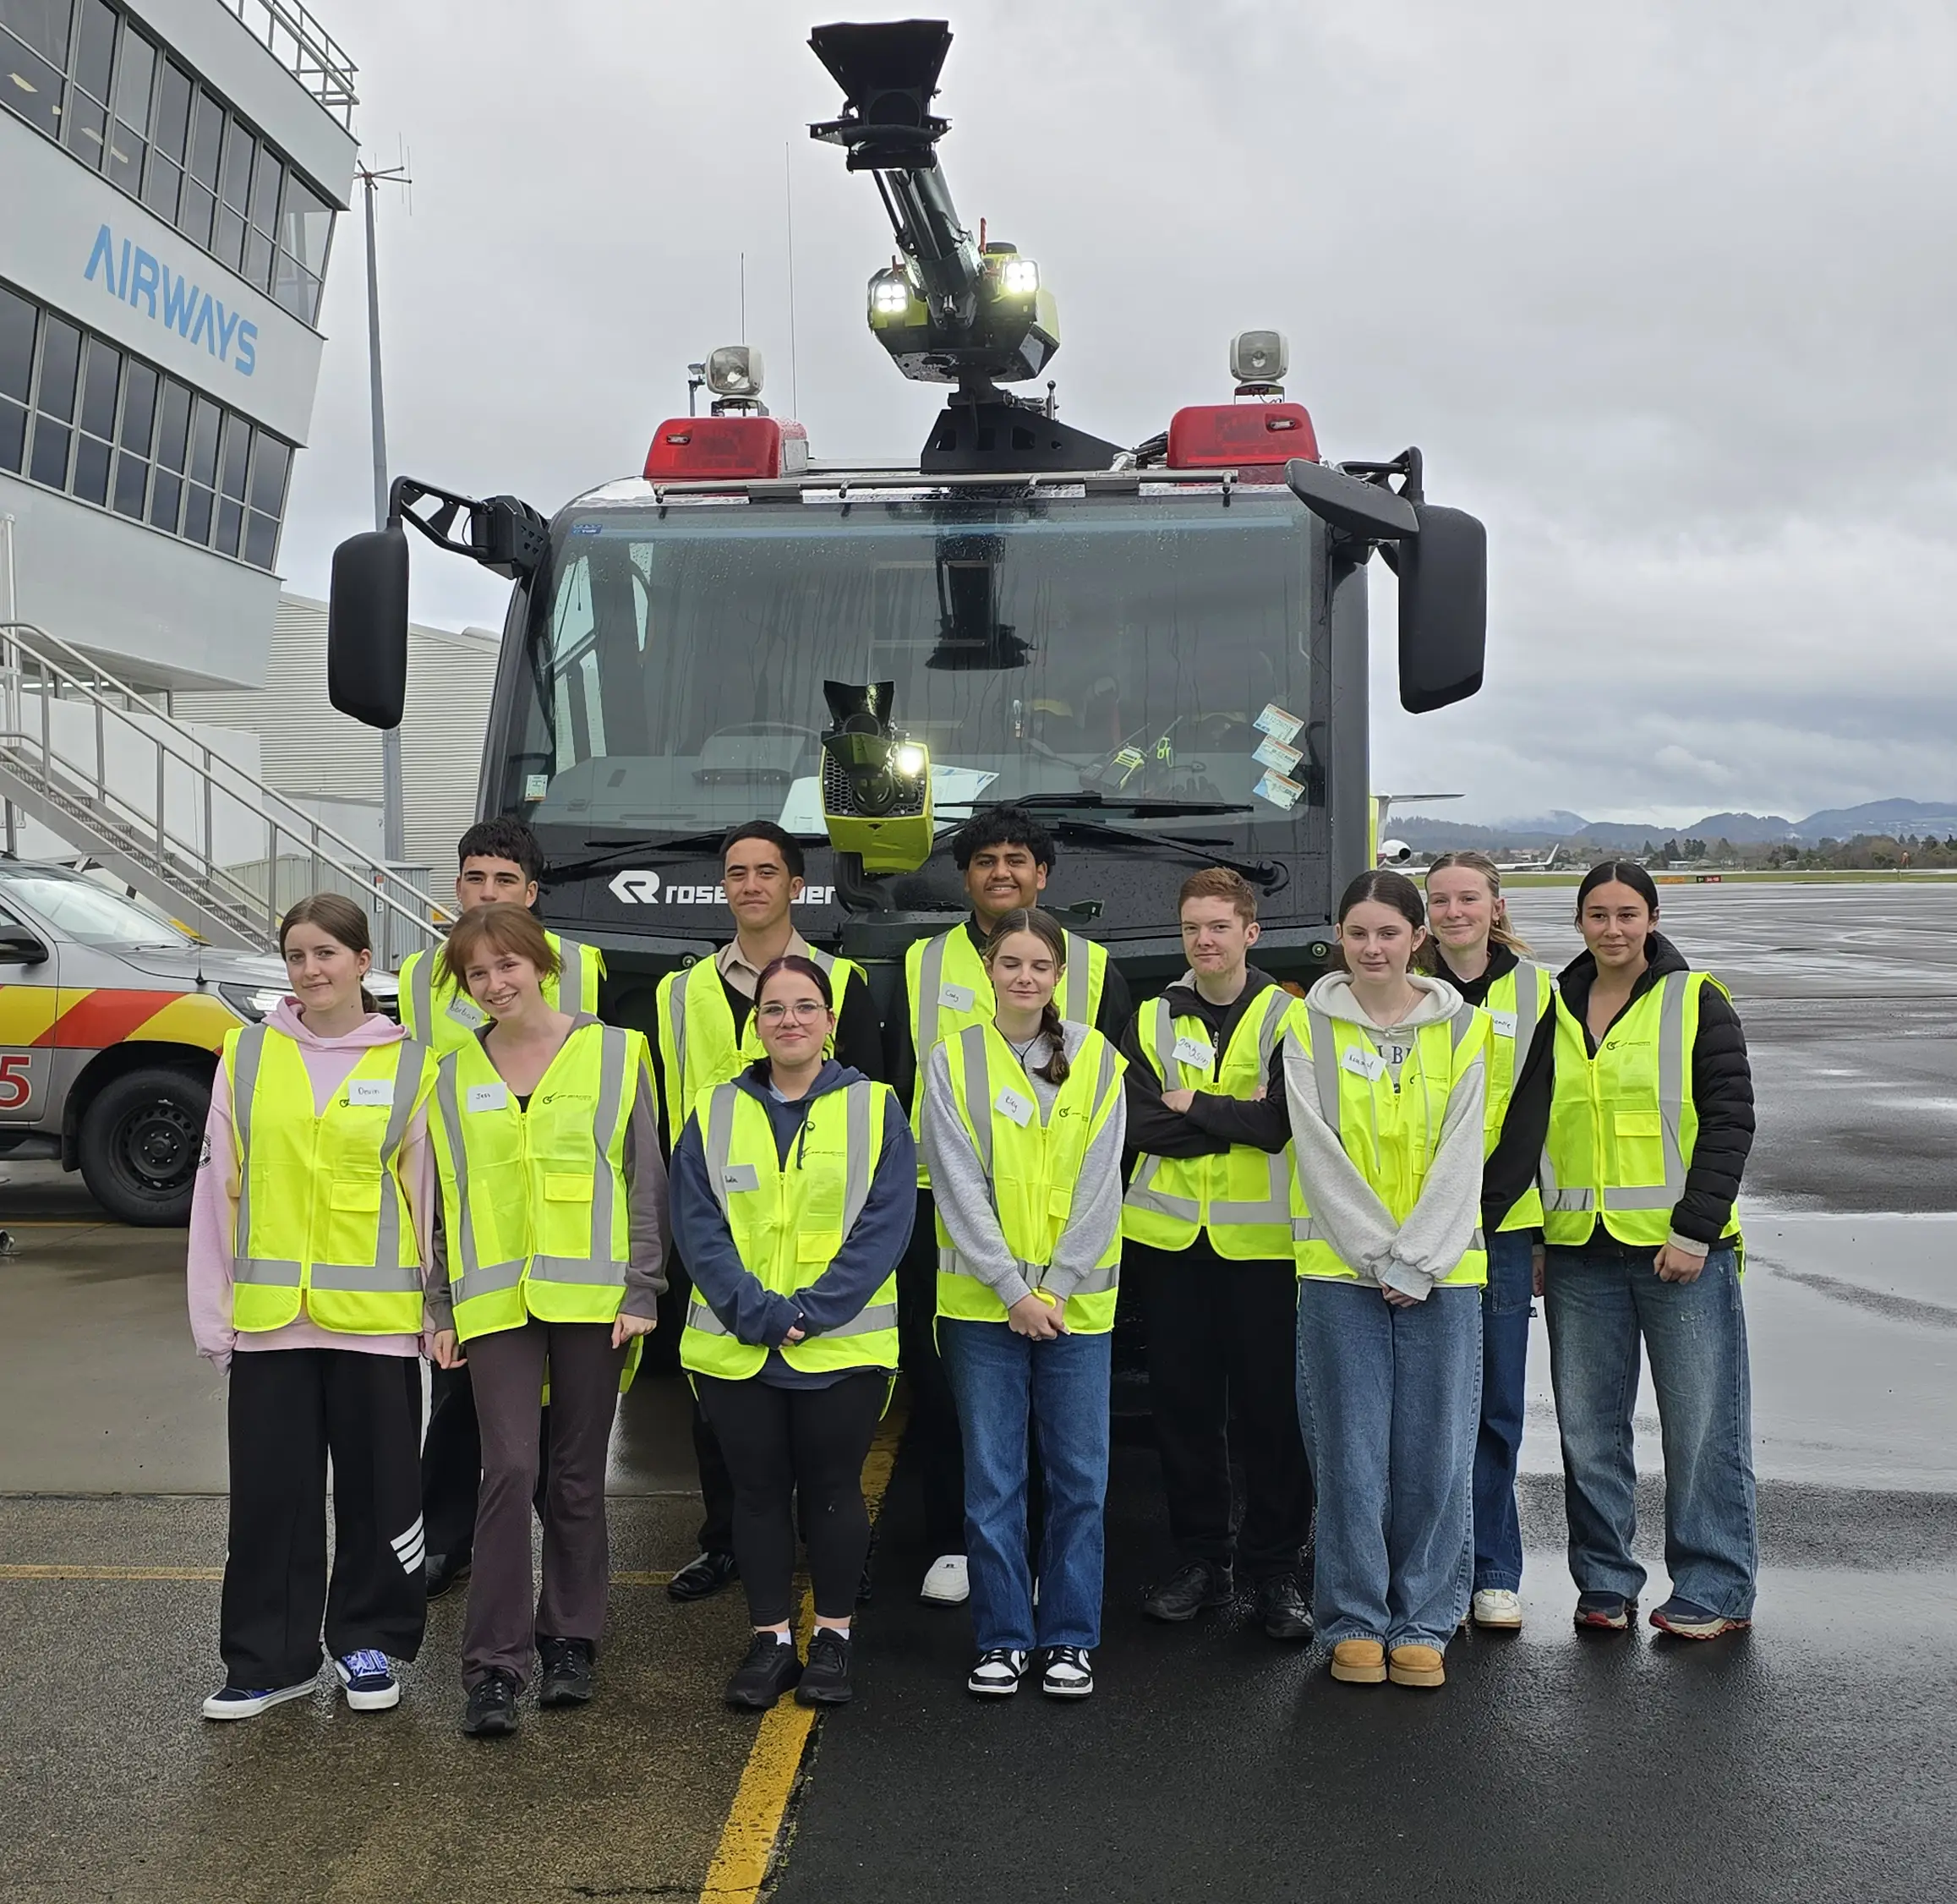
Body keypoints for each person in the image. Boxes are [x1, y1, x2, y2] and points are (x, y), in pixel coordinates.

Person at [189, 895, 438, 1720]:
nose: (310, 969)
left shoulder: (411, 1064)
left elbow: (425, 1201)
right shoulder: (245, 1056)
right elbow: (215, 1194)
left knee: (379, 1493)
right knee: (270, 1498)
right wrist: (214, 1316)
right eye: (295, 954)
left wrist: (433, 1314)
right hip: (271, 1324)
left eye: (326, 951)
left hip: (376, 1328)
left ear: (364, 959)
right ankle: (268, 1659)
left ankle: (370, 1642)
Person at [424, 904, 668, 1737]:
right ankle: (493, 1664)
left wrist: (642, 1287)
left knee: (573, 1477)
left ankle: (569, 1638)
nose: (494, 985)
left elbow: (645, 1178)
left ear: (542, 963)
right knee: (508, 1471)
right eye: (477, 975)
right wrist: (438, 1305)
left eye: (507, 966)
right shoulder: (451, 1074)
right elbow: (439, 1204)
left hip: (593, 1298)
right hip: (493, 1302)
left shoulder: (615, 1052)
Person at [888, 806, 1131, 1606]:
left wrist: (1061, 1269)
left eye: (1018, 859)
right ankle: (957, 1547)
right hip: (951, 1216)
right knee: (948, 1392)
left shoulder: (1099, 969)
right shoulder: (920, 964)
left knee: (1065, 1431)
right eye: (985, 860)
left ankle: (1049, 1569)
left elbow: (1114, 1120)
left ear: (1043, 875)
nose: (1002, 872)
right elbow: (899, 1089)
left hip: (1066, 1236)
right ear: (966, 877)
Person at [670, 955, 915, 1709]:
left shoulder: (876, 1107)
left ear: (830, 1021)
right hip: (735, 1346)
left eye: (805, 1007)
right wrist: (756, 1311)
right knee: (758, 1496)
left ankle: (834, 1638)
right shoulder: (714, 1109)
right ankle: (771, 1641)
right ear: (756, 1022)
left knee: (836, 1493)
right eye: (774, 1009)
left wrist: (812, 1310)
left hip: (839, 1348)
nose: (790, 1021)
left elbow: (886, 1222)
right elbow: (696, 1222)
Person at [653, 820, 882, 1606]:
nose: (750, 885)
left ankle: (825, 1550)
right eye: (737, 873)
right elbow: (668, 1104)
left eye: (766, 872)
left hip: (815, 1215)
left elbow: (873, 1108)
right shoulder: (677, 990)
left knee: (819, 1435)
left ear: (796, 885)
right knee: (720, 1401)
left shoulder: (844, 981)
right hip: (715, 1212)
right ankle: (726, 1545)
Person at [1528, 862, 1756, 1639]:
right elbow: (1529, 1132)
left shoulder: (1695, 1001)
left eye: (1627, 913)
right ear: (1579, 922)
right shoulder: (1550, 1010)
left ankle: (1715, 1585)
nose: (1612, 929)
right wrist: (1533, 1235)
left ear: (1652, 919)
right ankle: (1603, 1582)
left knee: (1701, 1426)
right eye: (1597, 914)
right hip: (1576, 1252)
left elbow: (1729, 1122)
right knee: (1587, 1430)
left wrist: (1694, 1229)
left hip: (1680, 1253)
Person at [1283, 871, 1488, 1691]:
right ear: (1340, 936)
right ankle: (1354, 1619)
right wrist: (1381, 1256)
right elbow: (1316, 1151)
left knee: (1434, 1455)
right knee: (1349, 1456)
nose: (1372, 948)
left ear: (1415, 937)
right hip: (1340, 1272)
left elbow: (1462, 1151)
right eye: (1357, 933)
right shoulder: (1306, 1027)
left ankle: (1424, 1620)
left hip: (1444, 1273)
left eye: (1388, 933)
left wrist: (1420, 1259)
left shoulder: (1465, 1029)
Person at [923, 909, 1127, 1699]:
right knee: (994, 1481)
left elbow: (1100, 1184)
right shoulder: (952, 1060)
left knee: (1079, 1478)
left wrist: (1056, 1289)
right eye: (1009, 963)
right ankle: (1002, 1638)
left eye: (1039, 965)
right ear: (988, 970)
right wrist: (1013, 1290)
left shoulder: (1098, 1058)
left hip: (1076, 1310)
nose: (1023, 977)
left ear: (1057, 976)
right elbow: (955, 1184)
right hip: (983, 1308)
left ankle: (1070, 1637)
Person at [403, 818, 606, 1601]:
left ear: (532, 895)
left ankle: (565, 1557)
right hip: (467, 1202)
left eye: (503, 882)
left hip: (558, 1216)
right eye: (473, 879)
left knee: (560, 1420)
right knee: (457, 1400)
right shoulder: (420, 974)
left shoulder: (582, 968)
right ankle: (448, 1540)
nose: (485, 893)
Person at [1121, 868, 1316, 1641]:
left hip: (1265, 1250)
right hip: (1170, 1246)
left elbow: (1281, 1126)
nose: (1204, 941)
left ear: (1250, 933)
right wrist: (1228, 1119)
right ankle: (1204, 1562)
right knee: (1184, 1414)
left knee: (1271, 1419)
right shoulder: (1149, 1018)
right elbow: (1136, 1125)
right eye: (1192, 928)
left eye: (1219, 927)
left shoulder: (1287, 1018)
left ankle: (1276, 1576)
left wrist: (1193, 1107)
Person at [1422, 851, 1555, 1631]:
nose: (1452, 911)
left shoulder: (1538, 990)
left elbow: (1535, 1112)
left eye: (1467, 897)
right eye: (1439, 900)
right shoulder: (1405, 988)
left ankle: (1493, 1570)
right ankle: (1430, 1566)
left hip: (1497, 1226)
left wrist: (1477, 1208)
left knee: (1495, 1405)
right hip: (1413, 1229)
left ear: (1495, 904)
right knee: (1426, 1409)